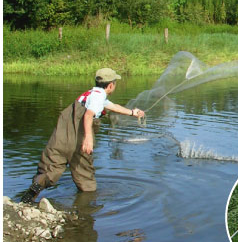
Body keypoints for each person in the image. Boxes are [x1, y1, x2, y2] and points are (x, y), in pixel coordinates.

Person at [21, 68, 145, 203]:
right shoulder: (98, 97)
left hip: (61, 136)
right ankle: (85, 211)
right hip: (80, 138)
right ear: (111, 85)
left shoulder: (91, 94)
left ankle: (30, 196)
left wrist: (132, 112)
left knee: (50, 167)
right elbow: (88, 115)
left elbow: (111, 106)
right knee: (84, 175)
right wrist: (88, 138)